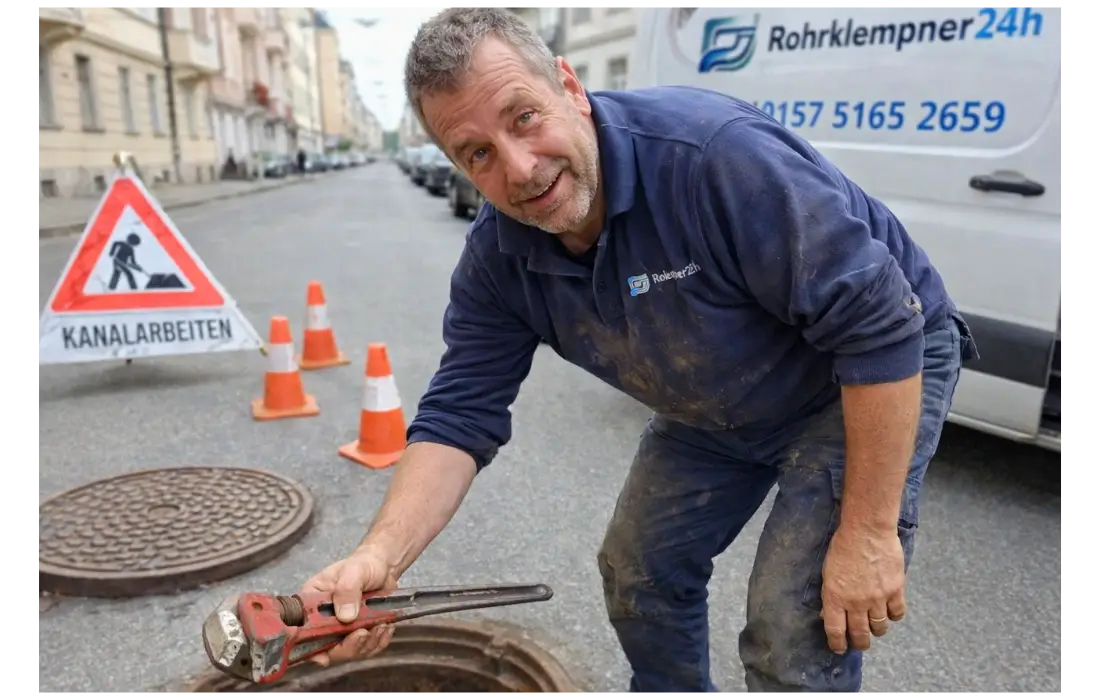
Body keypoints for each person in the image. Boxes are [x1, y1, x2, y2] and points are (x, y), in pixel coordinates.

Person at [301, 7, 979, 695]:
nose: (521, 169)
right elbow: (457, 417)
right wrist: (379, 557)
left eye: (524, 117)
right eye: (478, 154)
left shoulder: (713, 158)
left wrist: (868, 533)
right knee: (638, 572)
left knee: (791, 629)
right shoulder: (499, 258)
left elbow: (879, 328)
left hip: (856, 373)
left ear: (570, 86)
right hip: (722, 400)